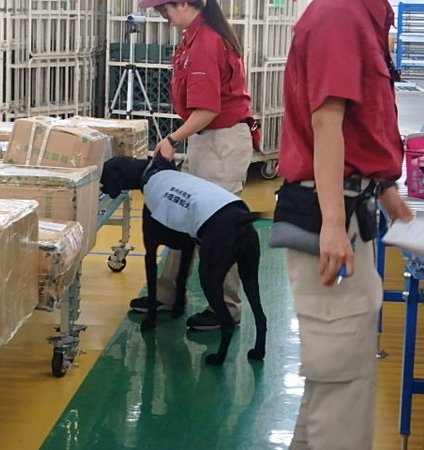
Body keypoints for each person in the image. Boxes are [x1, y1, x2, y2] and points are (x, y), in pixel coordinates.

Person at [275, 0, 414, 448]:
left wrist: (388, 192)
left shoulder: (368, 16)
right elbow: (326, 120)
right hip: (331, 213)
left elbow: (361, 122)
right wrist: (332, 224)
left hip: (353, 206)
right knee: (343, 379)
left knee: (335, 371)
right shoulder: (339, 14)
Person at [133, 0, 257, 331]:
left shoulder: (206, 42)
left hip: (222, 142)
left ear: (185, 3)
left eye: (165, 10)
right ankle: (168, 293)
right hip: (207, 139)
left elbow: (207, 110)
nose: (164, 17)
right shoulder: (195, 35)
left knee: (218, 227)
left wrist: (171, 140)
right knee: (183, 214)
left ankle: (225, 309)